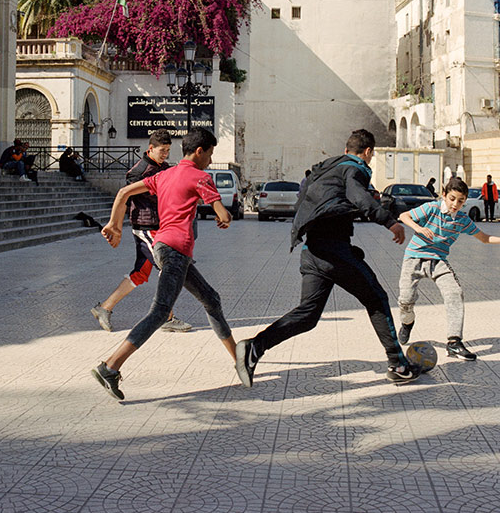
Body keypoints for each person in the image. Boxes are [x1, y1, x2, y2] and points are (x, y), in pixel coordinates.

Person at [235, 129, 420, 388]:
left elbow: (318, 204)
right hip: (333, 252)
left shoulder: (325, 170)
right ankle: (398, 364)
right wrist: (390, 222)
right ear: (367, 152)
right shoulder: (355, 169)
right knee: (376, 298)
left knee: (308, 315)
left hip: (312, 251)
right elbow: (358, 197)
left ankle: (255, 346)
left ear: (346, 150)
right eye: (370, 156)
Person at [92, 127, 236, 400]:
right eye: (211, 153)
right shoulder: (202, 177)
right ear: (199, 151)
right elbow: (224, 215)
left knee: (211, 299)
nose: (210, 159)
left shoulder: (163, 174)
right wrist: (223, 216)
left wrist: (114, 225)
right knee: (160, 313)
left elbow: (123, 193)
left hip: (163, 247)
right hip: (176, 251)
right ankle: (110, 366)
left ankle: (238, 358)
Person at [90, 129, 192, 333]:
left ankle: (105, 308)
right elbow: (124, 198)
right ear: (151, 148)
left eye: (168, 150)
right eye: (162, 150)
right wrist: (115, 226)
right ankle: (166, 317)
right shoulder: (139, 171)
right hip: (146, 227)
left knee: (141, 273)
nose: (165, 154)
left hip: (159, 227)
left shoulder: (163, 167)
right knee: (169, 269)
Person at [397, 176, 500, 361]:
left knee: (455, 292)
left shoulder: (462, 219)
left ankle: (454, 343)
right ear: (444, 195)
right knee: (406, 300)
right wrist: (418, 229)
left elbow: (484, 238)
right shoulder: (432, 208)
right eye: (452, 198)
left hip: (438, 261)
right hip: (414, 258)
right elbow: (404, 216)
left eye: (460, 201)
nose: (455, 204)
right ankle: (407, 322)